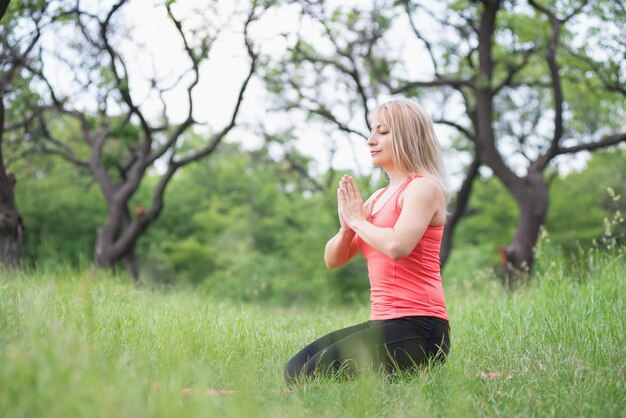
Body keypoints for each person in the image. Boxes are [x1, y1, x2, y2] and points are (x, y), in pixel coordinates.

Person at [284, 98, 451, 384]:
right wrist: (347, 227)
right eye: (372, 131)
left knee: (312, 376)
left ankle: (411, 373)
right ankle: (403, 380)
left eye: (382, 132)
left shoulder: (423, 187)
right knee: (296, 370)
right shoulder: (377, 197)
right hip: (384, 322)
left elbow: (397, 246)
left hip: (421, 327)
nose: (371, 140)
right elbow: (333, 259)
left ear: (406, 136)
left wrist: (359, 221)